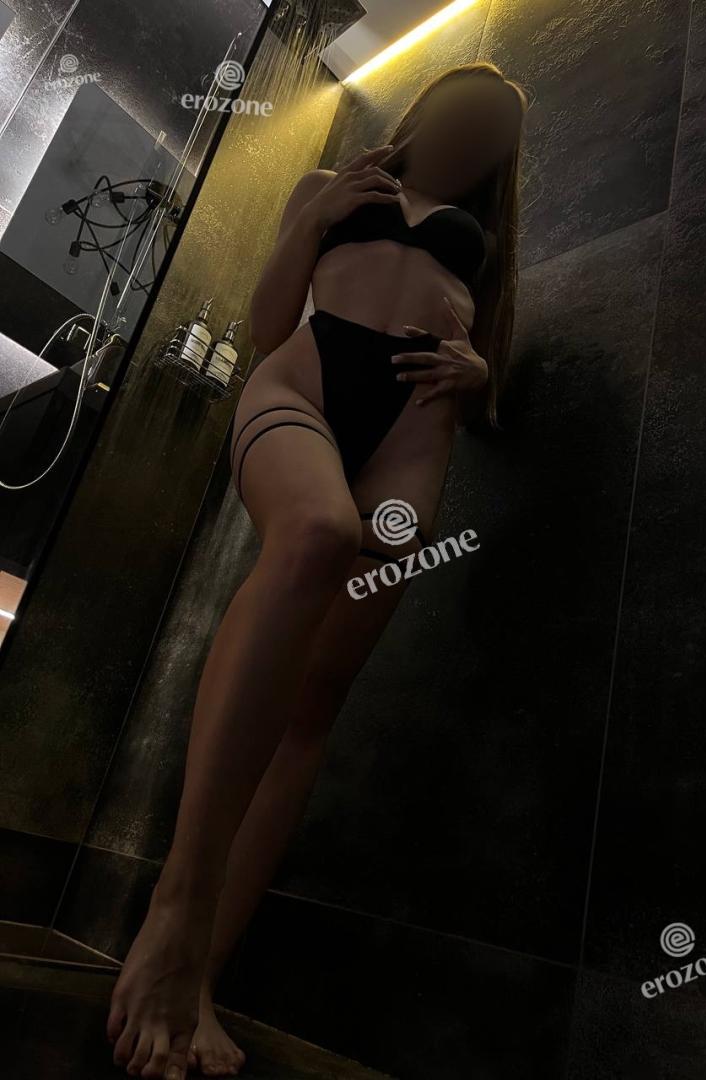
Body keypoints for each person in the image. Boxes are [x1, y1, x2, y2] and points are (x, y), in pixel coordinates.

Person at [106, 61, 528, 1080]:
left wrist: (480, 371)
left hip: (411, 441)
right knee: (315, 534)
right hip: (300, 384)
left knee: (313, 707)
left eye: (496, 133)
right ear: (425, 112)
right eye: (464, 113)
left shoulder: (489, 244)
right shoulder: (330, 185)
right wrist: (319, 216)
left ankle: (200, 979)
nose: (474, 136)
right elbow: (265, 324)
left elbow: (488, 389)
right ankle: (176, 907)